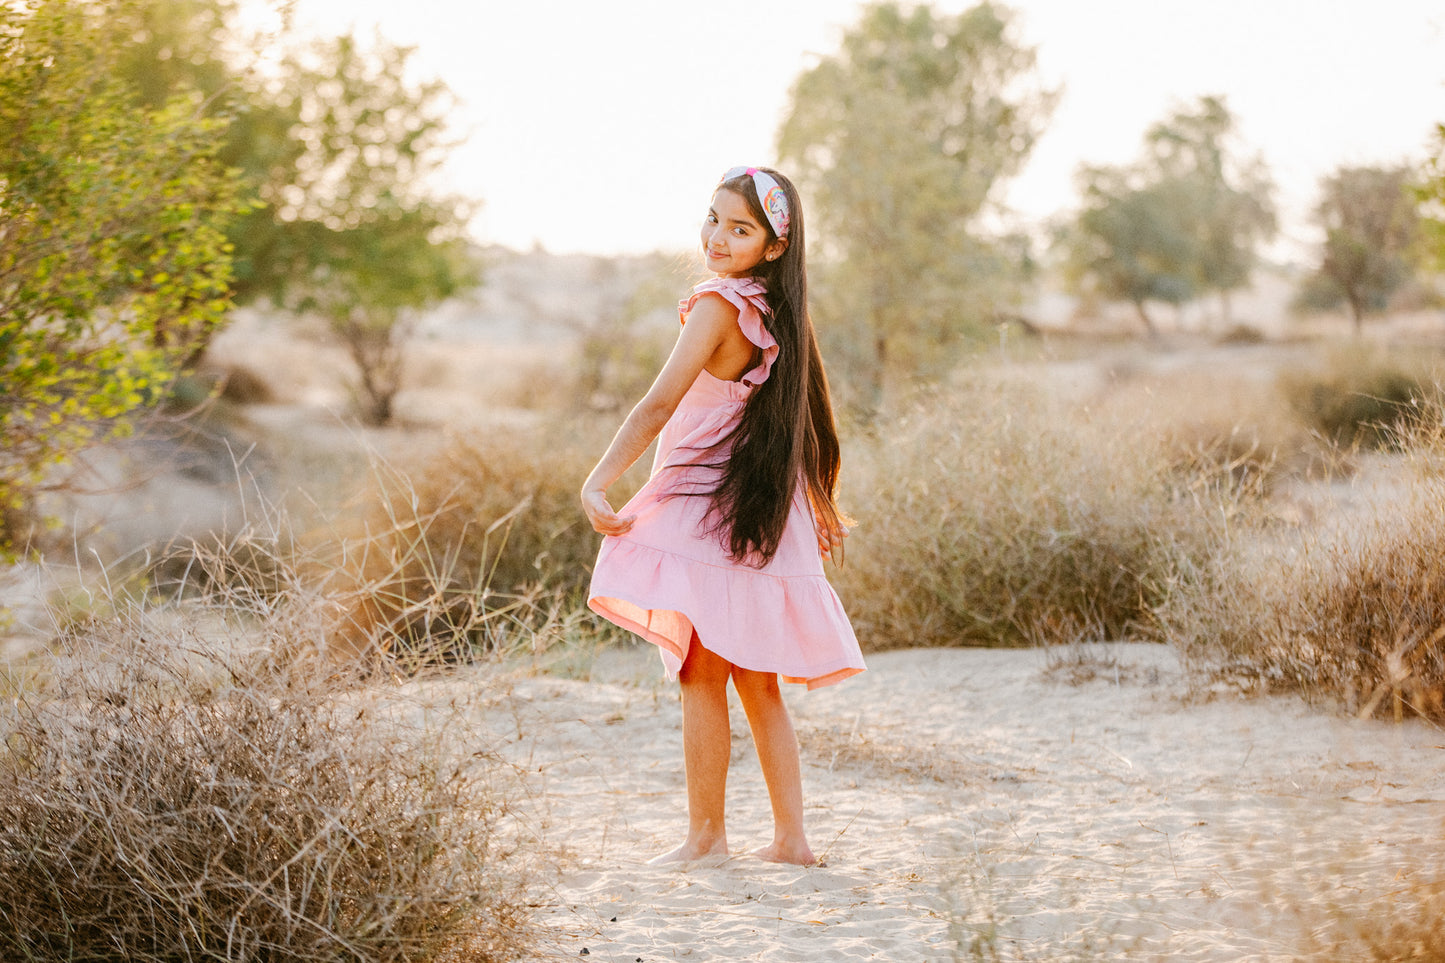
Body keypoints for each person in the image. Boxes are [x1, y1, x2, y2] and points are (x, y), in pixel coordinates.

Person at [581, 166, 865, 867]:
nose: (716, 237)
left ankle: (707, 839)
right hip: (757, 511)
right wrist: (816, 500)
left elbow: (657, 403)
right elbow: (801, 421)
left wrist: (597, 480)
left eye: (739, 229)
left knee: (701, 675)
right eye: (712, 218)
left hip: (709, 508)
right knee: (756, 678)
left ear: (773, 246)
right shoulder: (778, 309)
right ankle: (790, 839)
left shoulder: (718, 305)